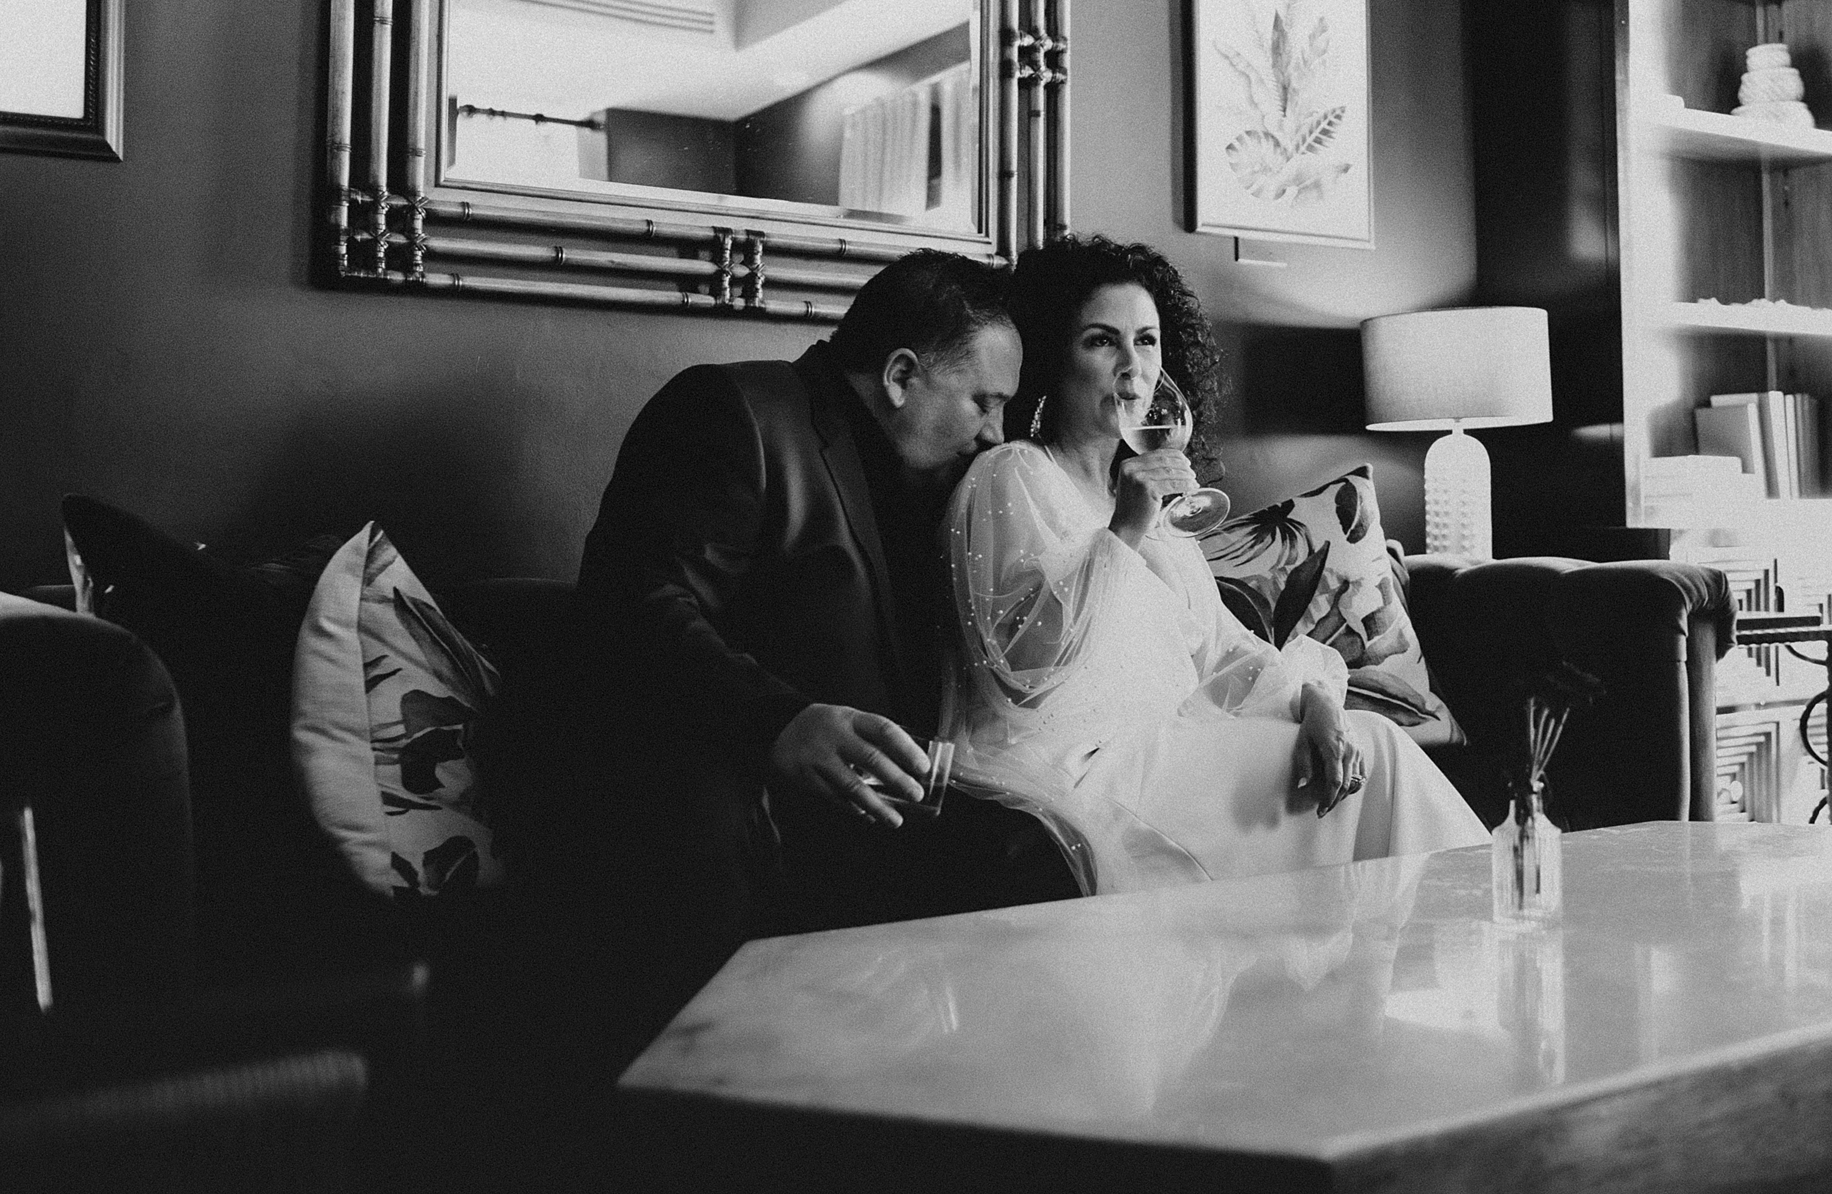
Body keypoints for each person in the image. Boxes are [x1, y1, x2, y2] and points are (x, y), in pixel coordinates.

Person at [574, 247, 1074, 979]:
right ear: (902, 376)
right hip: (761, 809)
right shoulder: (735, 412)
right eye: (984, 402)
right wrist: (777, 720)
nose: (997, 433)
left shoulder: (949, 480)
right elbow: (636, 607)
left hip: (903, 805)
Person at [940, 235, 1487, 895]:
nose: (1131, 367)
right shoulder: (1016, 474)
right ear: (1056, 355)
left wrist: (1313, 698)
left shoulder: (1153, 501)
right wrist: (1123, 531)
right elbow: (1019, 665)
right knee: (1385, 760)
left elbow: (1225, 650)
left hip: (1177, 751)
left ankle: (1455, 951)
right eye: (1100, 341)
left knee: (1368, 747)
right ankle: (1484, 934)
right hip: (1086, 769)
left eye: (1146, 340)